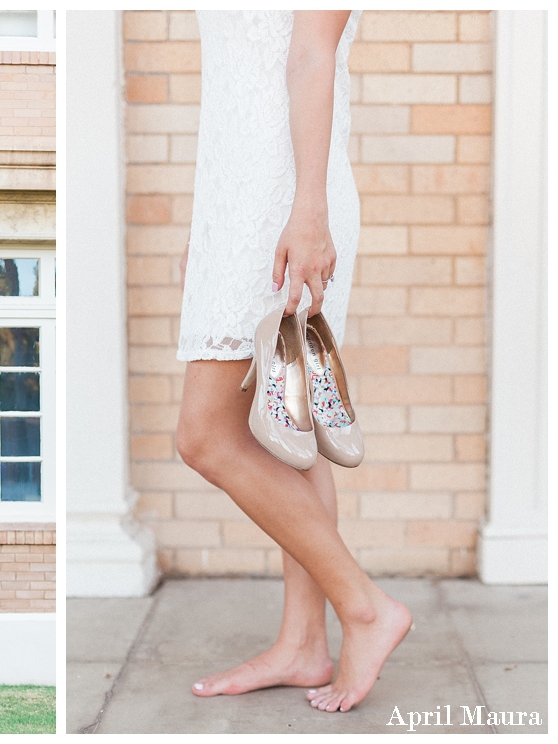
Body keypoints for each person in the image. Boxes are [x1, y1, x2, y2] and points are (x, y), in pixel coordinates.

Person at [175, 11, 411, 713]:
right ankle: (303, 643)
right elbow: (233, 81)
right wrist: (208, 222)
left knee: (205, 435)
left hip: (282, 193)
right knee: (292, 430)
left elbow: (312, 54)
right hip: (238, 192)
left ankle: (363, 607)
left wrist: (307, 211)